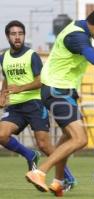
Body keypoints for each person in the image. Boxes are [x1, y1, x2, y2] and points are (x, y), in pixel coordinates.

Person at [25, 7, 94, 196]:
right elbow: (91, 57)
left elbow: (83, 50)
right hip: (58, 91)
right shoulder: (77, 36)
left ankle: (58, 182)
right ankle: (39, 172)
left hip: (62, 91)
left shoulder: (78, 29)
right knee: (80, 139)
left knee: (68, 138)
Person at [0, 20, 76, 191]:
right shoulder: (3, 57)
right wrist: (2, 94)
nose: (17, 37)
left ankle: (67, 177)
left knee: (44, 144)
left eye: (20, 34)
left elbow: (41, 80)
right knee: (1, 135)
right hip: (15, 107)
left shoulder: (31, 55)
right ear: (7, 36)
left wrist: (20, 88)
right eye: (13, 34)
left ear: (24, 35)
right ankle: (30, 155)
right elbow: (6, 78)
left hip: (35, 104)